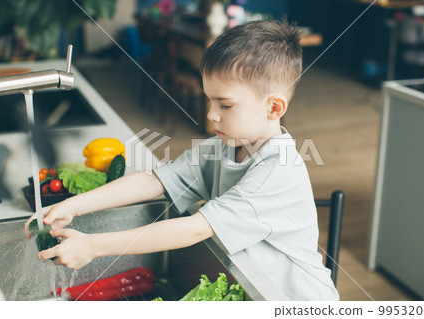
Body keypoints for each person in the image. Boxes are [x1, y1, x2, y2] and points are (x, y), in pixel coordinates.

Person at [25, 20, 339, 301]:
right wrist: (72, 205)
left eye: (225, 105)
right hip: (252, 286)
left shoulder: (277, 171)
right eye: (209, 100)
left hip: (294, 300)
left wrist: (93, 247)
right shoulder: (223, 146)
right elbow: (154, 180)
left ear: (274, 108)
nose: (211, 114)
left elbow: (194, 230)